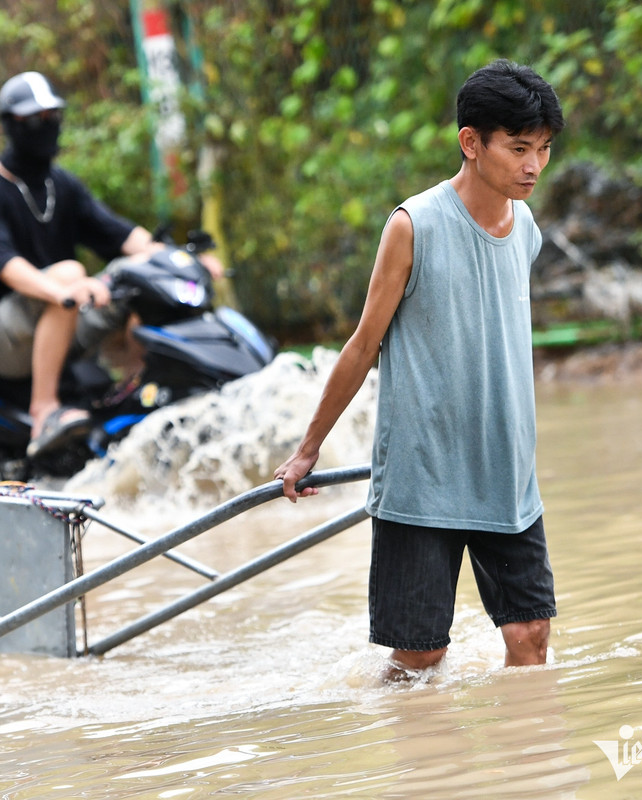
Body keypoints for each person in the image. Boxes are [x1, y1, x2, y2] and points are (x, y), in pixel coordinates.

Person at [273, 59, 565, 679]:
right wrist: (308, 449)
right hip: (423, 476)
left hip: (505, 473)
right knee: (421, 657)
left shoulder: (527, 227)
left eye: (542, 149)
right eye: (518, 148)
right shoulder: (413, 225)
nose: (533, 166)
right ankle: (414, 767)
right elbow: (362, 345)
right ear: (471, 143)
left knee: (531, 637)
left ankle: (527, 771)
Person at [0, 71, 167, 458]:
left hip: (62, 319)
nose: (47, 127)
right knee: (72, 273)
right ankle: (44, 410)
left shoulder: (62, 185)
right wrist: (62, 290)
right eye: (35, 120)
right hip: (1, 338)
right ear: (11, 125)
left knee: (139, 280)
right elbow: (4, 265)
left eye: (53, 116)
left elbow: (122, 235)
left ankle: (142, 396)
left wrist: (176, 258)